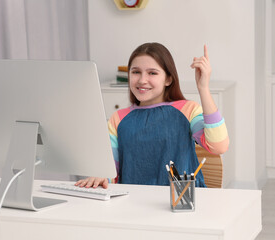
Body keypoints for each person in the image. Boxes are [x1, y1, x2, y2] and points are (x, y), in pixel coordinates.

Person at [75, 42, 229, 189]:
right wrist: (101, 177)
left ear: (168, 79)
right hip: (133, 205)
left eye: (152, 73)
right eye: (136, 72)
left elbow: (219, 146)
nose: (142, 80)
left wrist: (203, 88)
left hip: (181, 204)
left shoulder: (187, 110)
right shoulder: (118, 119)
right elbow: (111, 174)